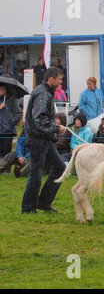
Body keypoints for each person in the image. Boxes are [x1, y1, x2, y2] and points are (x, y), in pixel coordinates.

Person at [21, 66, 66, 214]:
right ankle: (28, 208)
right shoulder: (43, 94)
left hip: (45, 139)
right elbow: (39, 119)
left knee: (60, 168)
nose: (61, 82)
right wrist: (56, 128)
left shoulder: (46, 92)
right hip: (37, 140)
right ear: (51, 79)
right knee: (36, 174)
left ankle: (44, 202)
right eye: (59, 79)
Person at [0, 82, 22, 160]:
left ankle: (7, 169)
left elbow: (19, 113)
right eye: (0, 88)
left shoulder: (12, 99)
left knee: (7, 151)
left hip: (7, 131)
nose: (2, 90)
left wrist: (11, 123)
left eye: (3, 88)